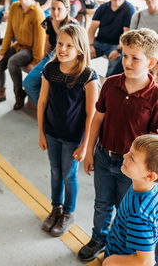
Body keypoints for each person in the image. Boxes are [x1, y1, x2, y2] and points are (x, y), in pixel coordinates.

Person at [78, 28, 158, 262]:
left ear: (151, 62)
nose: (127, 62)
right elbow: (97, 119)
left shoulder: (154, 97)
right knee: (102, 203)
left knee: (126, 210)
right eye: (124, 55)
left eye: (135, 58)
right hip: (104, 156)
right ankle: (98, 238)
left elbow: (153, 145)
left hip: (133, 168)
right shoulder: (111, 84)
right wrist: (89, 150)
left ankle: (127, 251)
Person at [38, 24, 99, 237]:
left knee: (68, 175)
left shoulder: (88, 76)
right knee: (55, 171)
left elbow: (91, 114)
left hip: (74, 137)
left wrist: (85, 145)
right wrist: (41, 132)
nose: (62, 49)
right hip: (52, 132)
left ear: (80, 49)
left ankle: (69, 212)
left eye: (69, 46)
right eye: (60, 44)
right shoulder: (50, 68)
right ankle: (56, 208)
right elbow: (42, 101)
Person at [0, 0, 46, 110]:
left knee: (12, 62)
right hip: (18, 45)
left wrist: (36, 62)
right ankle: (1, 92)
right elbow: (9, 32)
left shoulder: (37, 12)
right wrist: (2, 52)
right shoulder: (14, 7)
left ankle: (19, 94)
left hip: (31, 49)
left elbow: (40, 41)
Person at [103, 134, 158, 266]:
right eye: (129, 151)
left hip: (121, 258)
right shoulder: (148, 188)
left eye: (132, 158)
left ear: (149, 176)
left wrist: (111, 261)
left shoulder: (138, 214)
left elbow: (145, 261)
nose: (124, 156)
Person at [24, 0, 78, 105]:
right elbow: (48, 41)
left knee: (58, 88)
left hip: (67, 59)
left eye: (59, 9)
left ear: (67, 10)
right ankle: (46, 108)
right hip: (50, 57)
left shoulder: (73, 25)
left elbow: (76, 50)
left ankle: (53, 109)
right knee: (28, 83)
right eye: (53, 8)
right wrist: (42, 59)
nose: (55, 12)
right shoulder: (48, 21)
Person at [88, 0, 135, 77]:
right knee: (83, 58)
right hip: (99, 42)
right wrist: (90, 46)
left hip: (116, 45)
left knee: (117, 64)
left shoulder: (129, 9)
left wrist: (118, 50)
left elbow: (126, 35)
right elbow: (91, 29)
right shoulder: (102, 8)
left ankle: (107, 83)